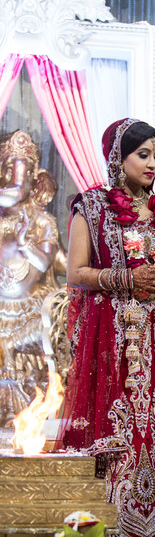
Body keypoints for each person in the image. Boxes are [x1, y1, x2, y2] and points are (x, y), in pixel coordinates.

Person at [57, 118, 155, 537]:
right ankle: (110, 523)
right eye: (144, 155)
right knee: (119, 418)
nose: (153, 163)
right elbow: (75, 272)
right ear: (119, 158)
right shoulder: (92, 207)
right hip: (113, 337)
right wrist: (126, 279)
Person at [0, 129, 66, 425]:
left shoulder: (42, 221)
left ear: (37, 181)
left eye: (24, 174)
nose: (16, 181)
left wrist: (26, 243)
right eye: (10, 171)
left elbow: (45, 262)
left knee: (30, 383)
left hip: (28, 314)